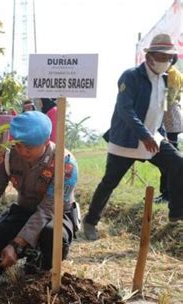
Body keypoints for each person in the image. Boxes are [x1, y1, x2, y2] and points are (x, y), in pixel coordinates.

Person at [83, 34, 183, 241]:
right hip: (127, 140)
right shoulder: (131, 76)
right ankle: (90, 221)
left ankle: (176, 213)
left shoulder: (164, 81)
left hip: (152, 138)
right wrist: (144, 135)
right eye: (162, 57)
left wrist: (162, 138)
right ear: (150, 57)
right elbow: (125, 110)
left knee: (178, 163)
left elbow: (161, 112)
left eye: (170, 58)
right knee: (109, 182)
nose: (166, 62)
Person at [0, 111, 79, 273]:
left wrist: (16, 245)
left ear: (46, 142)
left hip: (56, 215)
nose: (23, 152)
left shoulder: (65, 164)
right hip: (24, 211)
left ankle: (42, 265)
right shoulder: (8, 156)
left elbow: (47, 210)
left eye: (29, 147)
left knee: (51, 236)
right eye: (18, 145)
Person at [155, 60, 183, 203]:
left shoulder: (171, 74)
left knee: (170, 159)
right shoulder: (173, 73)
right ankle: (166, 193)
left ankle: (168, 194)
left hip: (169, 117)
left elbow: (169, 100)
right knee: (167, 158)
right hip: (169, 117)